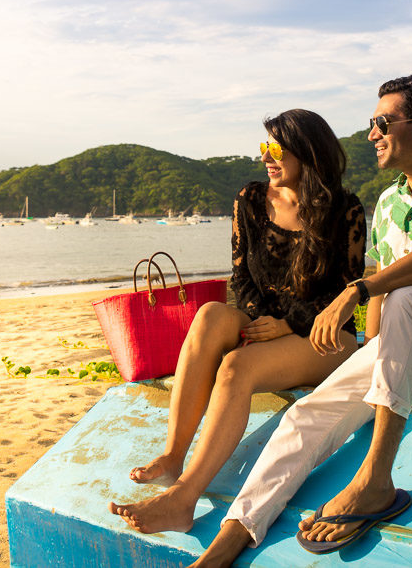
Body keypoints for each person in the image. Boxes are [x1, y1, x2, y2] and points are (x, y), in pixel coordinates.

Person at [190, 75, 412, 567]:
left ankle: (374, 482)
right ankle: (231, 538)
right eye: (371, 124)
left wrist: (357, 289)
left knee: (405, 295)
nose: (371, 134)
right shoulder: (389, 204)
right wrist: (369, 353)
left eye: (383, 123)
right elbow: (384, 303)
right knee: (308, 414)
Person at [109, 108, 367, 534]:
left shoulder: (345, 209)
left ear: (308, 152)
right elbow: (240, 274)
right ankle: (175, 454)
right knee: (211, 314)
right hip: (266, 324)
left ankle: (183, 497)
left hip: (326, 336)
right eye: (264, 146)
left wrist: (288, 325)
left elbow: (346, 290)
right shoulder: (250, 199)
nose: (267, 156)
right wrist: (262, 318)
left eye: (278, 148)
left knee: (236, 367)